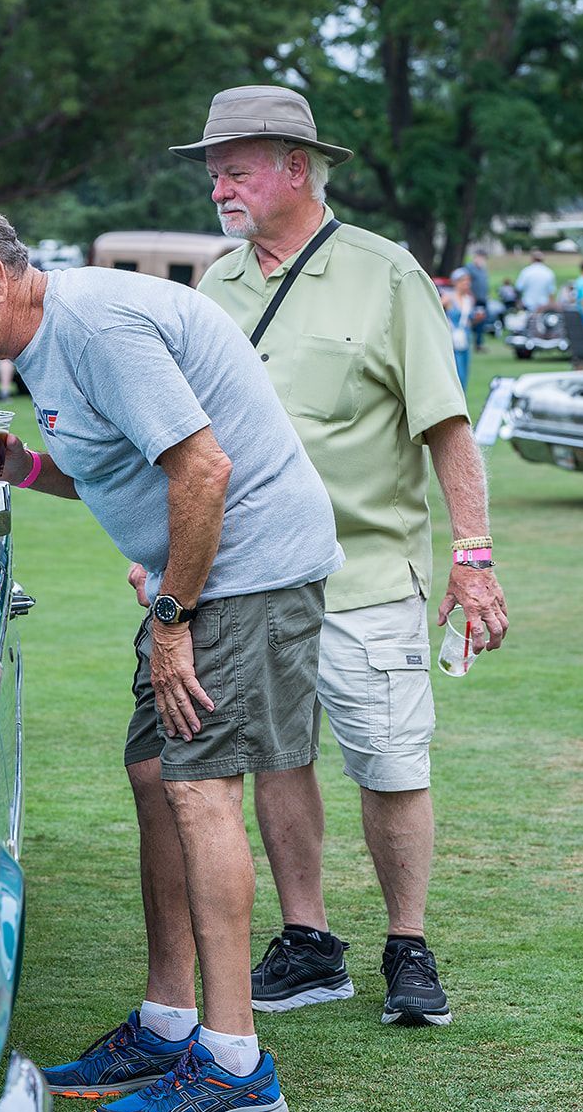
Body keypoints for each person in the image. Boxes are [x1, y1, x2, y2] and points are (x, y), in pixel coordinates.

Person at [0, 198, 343, 1112]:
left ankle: (234, 1064)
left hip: (242, 578)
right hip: (201, 582)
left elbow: (204, 470)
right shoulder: (50, 340)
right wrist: (24, 468)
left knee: (200, 790)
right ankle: (168, 1020)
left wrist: (172, 617)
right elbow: (124, 467)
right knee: (152, 775)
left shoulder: (94, 326)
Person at [168, 84, 508, 1026]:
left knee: (391, 763)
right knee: (278, 760)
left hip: (364, 573)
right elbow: (191, 436)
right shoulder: (216, 285)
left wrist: (471, 553)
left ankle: (408, 942)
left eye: (234, 170)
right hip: (250, 576)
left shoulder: (386, 273)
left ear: (294, 167)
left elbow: (445, 423)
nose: (219, 188)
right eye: (212, 173)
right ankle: (310, 942)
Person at [445, 270, 475, 389]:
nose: (467, 283)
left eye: (468, 281)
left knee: (465, 372)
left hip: (465, 338)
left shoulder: (469, 299)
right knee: (456, 372)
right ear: (456, 282)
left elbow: (469, 320)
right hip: (452, 339)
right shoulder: (448, 298)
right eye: (464, 280)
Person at [466, 251, 491, 349]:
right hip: (473, 300)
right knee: (471, 321)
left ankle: (479, 343)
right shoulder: (469, 269)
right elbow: (466, 284)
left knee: (481, 321)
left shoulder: (483, 270)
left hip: (482, 300)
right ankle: (469, 341)